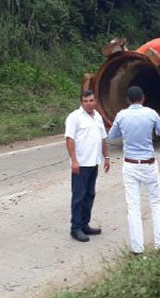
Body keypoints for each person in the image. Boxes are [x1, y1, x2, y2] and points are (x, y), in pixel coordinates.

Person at [107, 86, 160, 255]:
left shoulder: (121, 115)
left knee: (133, 206)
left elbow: (112, 135)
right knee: (156, 203)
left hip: (130, 164)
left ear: (128, 100)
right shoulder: (151, 114)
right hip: (149, 164)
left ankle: (137, 249)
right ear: (143, 98)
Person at [64, 90, 110, 242]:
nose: (89, 103)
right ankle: (75, 228)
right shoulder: (74, 117)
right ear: (81, 102)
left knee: (90, 194)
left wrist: (107, 157)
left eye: (91, 100)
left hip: (94, 162)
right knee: (78, 196)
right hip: (81, 165)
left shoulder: (97, 116)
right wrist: (74, 161)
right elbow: (70, 140)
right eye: (86, 101)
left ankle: (85, 224)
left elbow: (103, 138)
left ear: (95, 101)